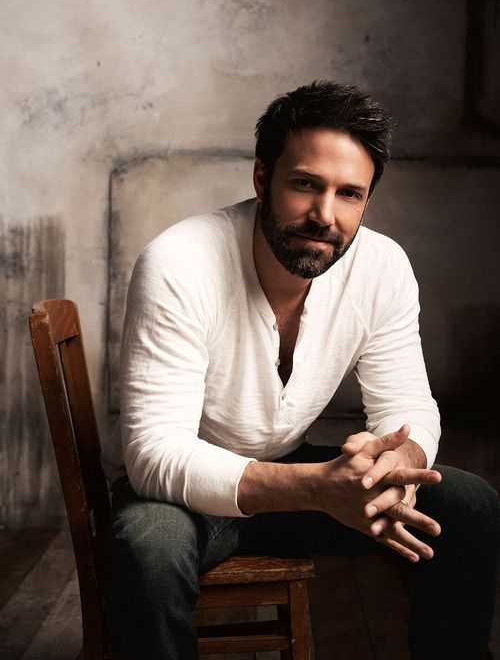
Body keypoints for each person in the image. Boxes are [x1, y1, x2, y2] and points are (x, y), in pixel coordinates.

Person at [106, 80, 499, 659]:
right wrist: (317, 488)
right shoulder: (179, 262)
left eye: (349, 194)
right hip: (185, 489)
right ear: (262, 178)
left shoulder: (383, 266)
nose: (325, 215)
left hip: (300, 478)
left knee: (470, 506)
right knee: (146, 544)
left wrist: (393, 463)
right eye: (305, 185)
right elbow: (153, 454)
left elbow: (408, 406)